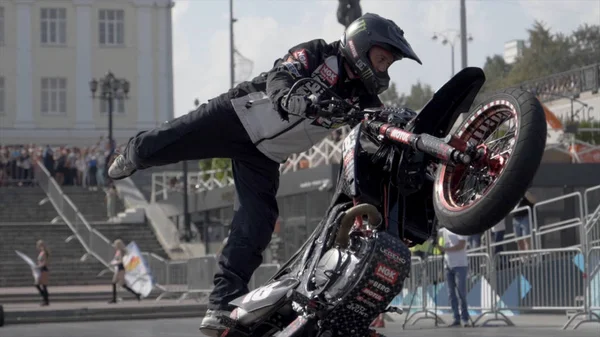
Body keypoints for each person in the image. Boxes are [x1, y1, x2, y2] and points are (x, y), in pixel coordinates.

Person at [106, 13, 421, 335]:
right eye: (382, 59)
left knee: (256, 223)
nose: (384, 68)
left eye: (388, 64)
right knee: (169, 139)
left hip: (264, 156)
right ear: (361, 46)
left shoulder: (362, 97)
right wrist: (292, 96)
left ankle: (221, 303)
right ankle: (132, 151)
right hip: (236, 116)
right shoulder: (317, 52)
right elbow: (282, 75)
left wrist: (407, 130)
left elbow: (379, 122)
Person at [437, 227, 471, 327]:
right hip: (448, 265)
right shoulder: (443, 230)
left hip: (460, 265)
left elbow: (461, 245)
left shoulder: (460, 229)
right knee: (451, 294)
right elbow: (436, 238)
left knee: (461, 293)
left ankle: (465, 318)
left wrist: (445, 249)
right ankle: (456, 318)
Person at [35, 240, 50, 306]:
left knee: (42, 286)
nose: (38, 247)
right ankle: (45, 298)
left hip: (43, 270)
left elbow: (45, 263)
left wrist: (38, 266)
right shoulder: (41, 252)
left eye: (38, 245)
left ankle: (45, 300)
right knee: (40, 285)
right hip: (41, 269)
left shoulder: (44, 253)